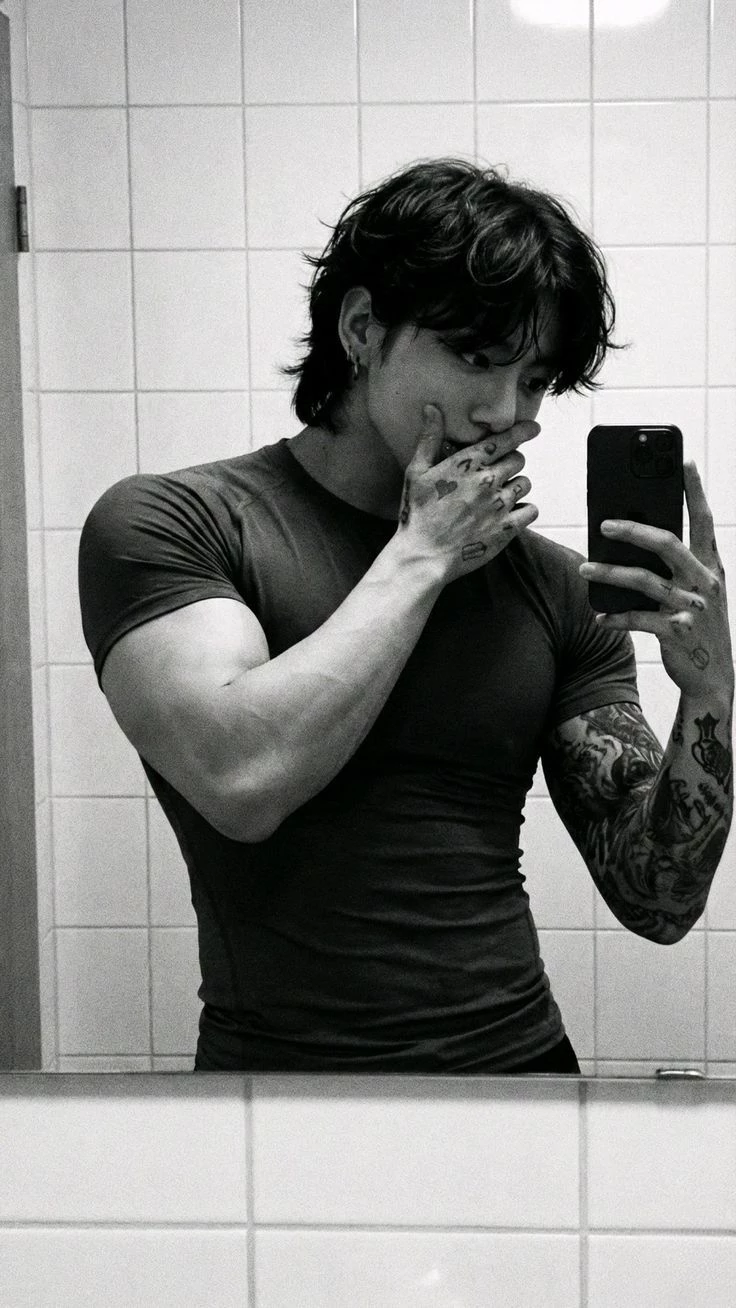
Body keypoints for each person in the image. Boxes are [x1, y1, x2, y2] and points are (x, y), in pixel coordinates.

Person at [78, 158, 733, 1075]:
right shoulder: (178, 523)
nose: (502, 411)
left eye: (534, 380)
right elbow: (240, 779)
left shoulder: (552, 586)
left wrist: (711, 695)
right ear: (360, 328)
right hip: (272, 1097)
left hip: (520, 1078)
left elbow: (657, 898)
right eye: (476, 358)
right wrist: (421, 556)